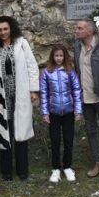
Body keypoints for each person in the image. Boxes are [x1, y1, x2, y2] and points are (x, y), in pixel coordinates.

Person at [0, 15, 39, 181]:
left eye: (5, 29)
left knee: (21, 132)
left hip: (20, 94)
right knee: (4, 132)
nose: (3, 32)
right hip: (2, 97)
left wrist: (33, 90)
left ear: (11, 28)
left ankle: (23, 171)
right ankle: (6, 172)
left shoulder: (21, 44)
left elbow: (32, 66)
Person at [73, 19, 99, 179]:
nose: (76, 30)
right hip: (85, 97)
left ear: (90, 31)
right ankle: (98, 162)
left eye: (79, 28)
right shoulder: (77, 47)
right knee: (91, 131)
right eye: (76, 28)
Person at [39, 44, 83, 183]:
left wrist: (78, 110)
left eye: (61, 56)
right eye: (56, 56)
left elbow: (76, 91)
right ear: (52, 57)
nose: (58, 58)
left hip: (69, 112)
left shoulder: (71, 72)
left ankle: (68, 167)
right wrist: (45, 112)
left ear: (65, 57)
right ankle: (56, 168)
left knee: (68, 140)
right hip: (54, 113)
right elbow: (44, 93)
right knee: (55, 140)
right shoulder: (47, 72)